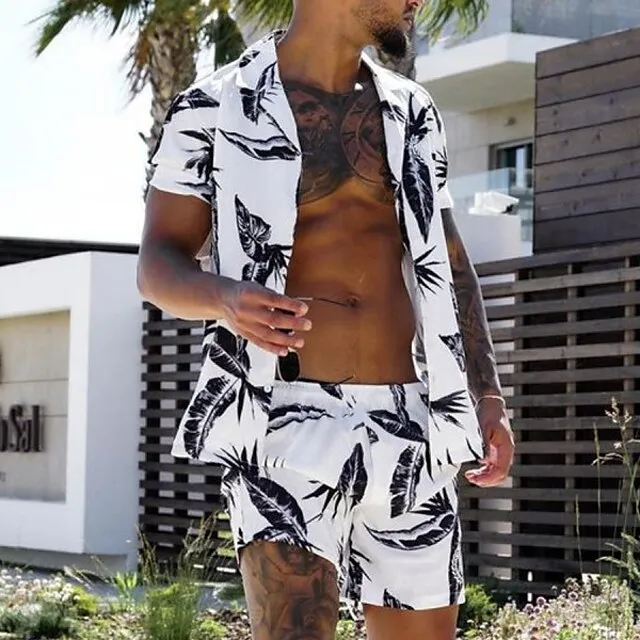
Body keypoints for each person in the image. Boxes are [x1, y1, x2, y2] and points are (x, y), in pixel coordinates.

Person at [137, 0, 515, 638]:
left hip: (412, 423)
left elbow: (450, 263)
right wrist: (225, 299)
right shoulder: (214, 108)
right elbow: (157, 264)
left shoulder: (412, 111)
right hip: (281, 423)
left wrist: (488, 395)